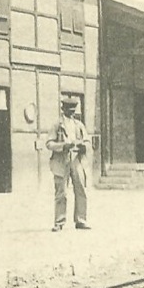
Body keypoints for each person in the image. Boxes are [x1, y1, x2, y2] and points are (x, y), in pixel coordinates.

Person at [46, 96, 91, 231]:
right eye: (68, 110)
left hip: (77, 160)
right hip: (61, 160)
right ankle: (59, 222)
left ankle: (81, 220)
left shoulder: (79, 125)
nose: (71, 112)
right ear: (63, 109)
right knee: (61, 192)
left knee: (81, 189)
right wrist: (63, 146)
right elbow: (49, 143)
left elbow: (88, 141)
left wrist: (85, 146)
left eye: (73, 110)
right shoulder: (57, 125)